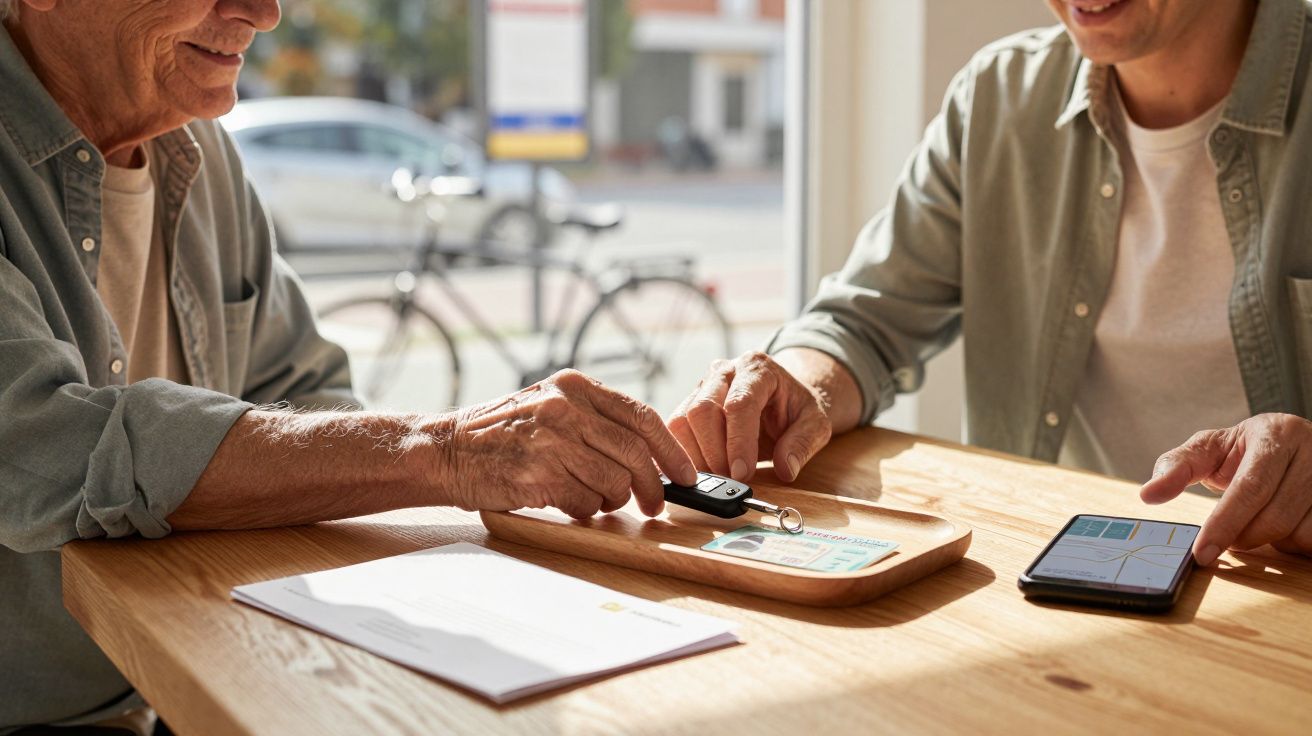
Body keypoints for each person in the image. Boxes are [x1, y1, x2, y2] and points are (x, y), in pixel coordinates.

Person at [0, 1, 697, 732]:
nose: (263, 13)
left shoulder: (201, 153)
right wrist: (445, 453)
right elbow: (47, 447)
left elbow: (307, 391)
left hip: (192, 670)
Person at [670, 0, 1312, 565]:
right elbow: (862, 322)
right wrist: (799, 384)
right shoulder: (999, 97)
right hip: (1052, 565)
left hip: (1280, 594)